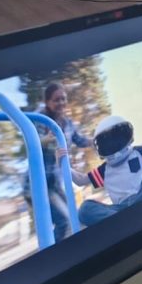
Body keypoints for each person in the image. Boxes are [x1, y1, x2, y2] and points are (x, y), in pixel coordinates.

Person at [71, 115, 142, 227]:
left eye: (116, 138)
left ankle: (127, 218)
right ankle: (125, 218)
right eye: (109, 141)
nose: (114, 143)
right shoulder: (104, 169)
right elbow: (81, 180)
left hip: (141, 198)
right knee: (85, 209)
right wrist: (62, 164)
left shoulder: (138, 152)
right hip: (119, 209)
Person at [26, 82, 92, 241]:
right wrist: (46, 140)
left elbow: (80, 140)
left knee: (73, 218)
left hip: (55, 184)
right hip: (40, 184)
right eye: (56, 100)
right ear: (48, 102)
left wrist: (95, 140)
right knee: (63, 221)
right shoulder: (41, 118)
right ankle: (53, 256)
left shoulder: (68, 123)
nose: (61, 102)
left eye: (63, 99)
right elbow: (32, 143)